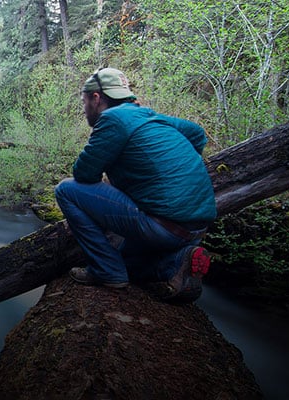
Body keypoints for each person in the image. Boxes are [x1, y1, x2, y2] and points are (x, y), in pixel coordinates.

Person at [54, 67, 216, 303]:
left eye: (84, 101)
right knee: (125, 258)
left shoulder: (112, 119)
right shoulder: (150, 116)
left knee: (66, 190)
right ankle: (176, 264)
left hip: (162, 227)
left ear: (96, 98)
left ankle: (106, 272)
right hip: (195, 229)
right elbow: (198, 135)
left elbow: (84, 174)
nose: (84, 108)